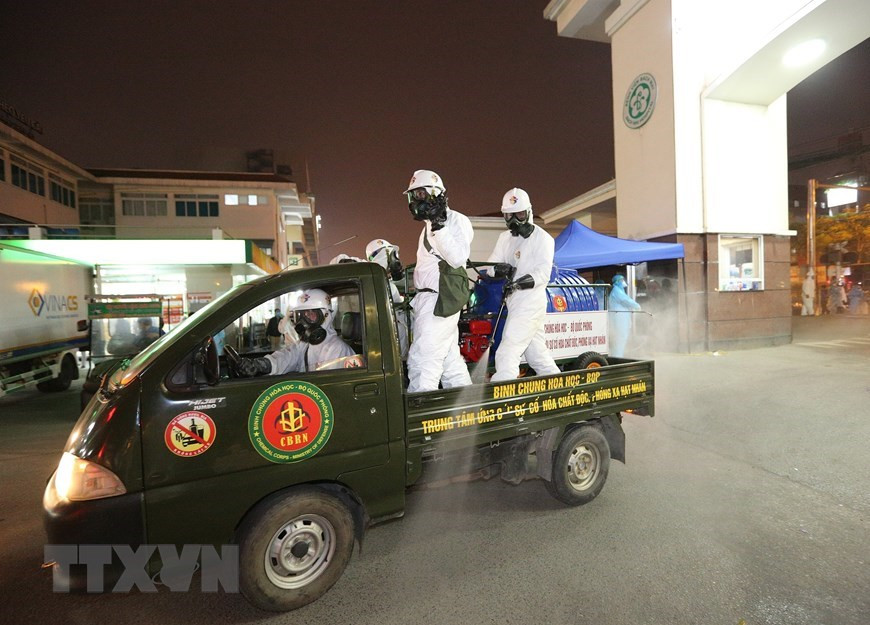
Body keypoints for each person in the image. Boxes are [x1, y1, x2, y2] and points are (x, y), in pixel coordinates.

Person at [404, 169, 474, 392]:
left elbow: (457, 258)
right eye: (413, 195)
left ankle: (422, 417)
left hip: (439, 299)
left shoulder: (455, 221)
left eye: (421, 194)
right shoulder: (427, 226)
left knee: (424, 361)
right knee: (449, 362)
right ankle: (468, 407)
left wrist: (439, 226)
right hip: (429, 299)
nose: (416, 200)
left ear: (436, 194)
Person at [487, 188, 560, 381]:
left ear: (528, 212)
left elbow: (543, 273)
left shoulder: (543, 239)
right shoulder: (505, 239)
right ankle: (559, 388)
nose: (515, 220)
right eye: (510, 215)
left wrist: (518, 283)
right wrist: (500, 269)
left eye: (519, 214)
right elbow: (490, 266)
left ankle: (504, 390)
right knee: (537, 355)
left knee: (509, 348)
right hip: (513, 301)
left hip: (531, 301)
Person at [235, 288, 356, 376]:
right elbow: (287, 357)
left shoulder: (337, 349)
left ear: (325, 316)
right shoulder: (305, 344)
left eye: (311, 314)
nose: (304, 321)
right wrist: (262, 365)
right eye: (302, 316)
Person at [366, 238, 410, 360]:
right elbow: (402, 310)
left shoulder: (373, 280)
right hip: (394, 354)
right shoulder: (386, 285)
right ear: (386, 256)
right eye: (394, 255)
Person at [608, 274, 641, 358]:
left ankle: (617, 356)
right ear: (618, 281)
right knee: (620, 339)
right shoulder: (616, 291)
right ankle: (617, 357)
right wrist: (636, 305)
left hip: (621, 319)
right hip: (619, 320)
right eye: (622, 280)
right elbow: (626, 300)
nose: (623, 282)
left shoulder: (619, 290)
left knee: (620, 339)